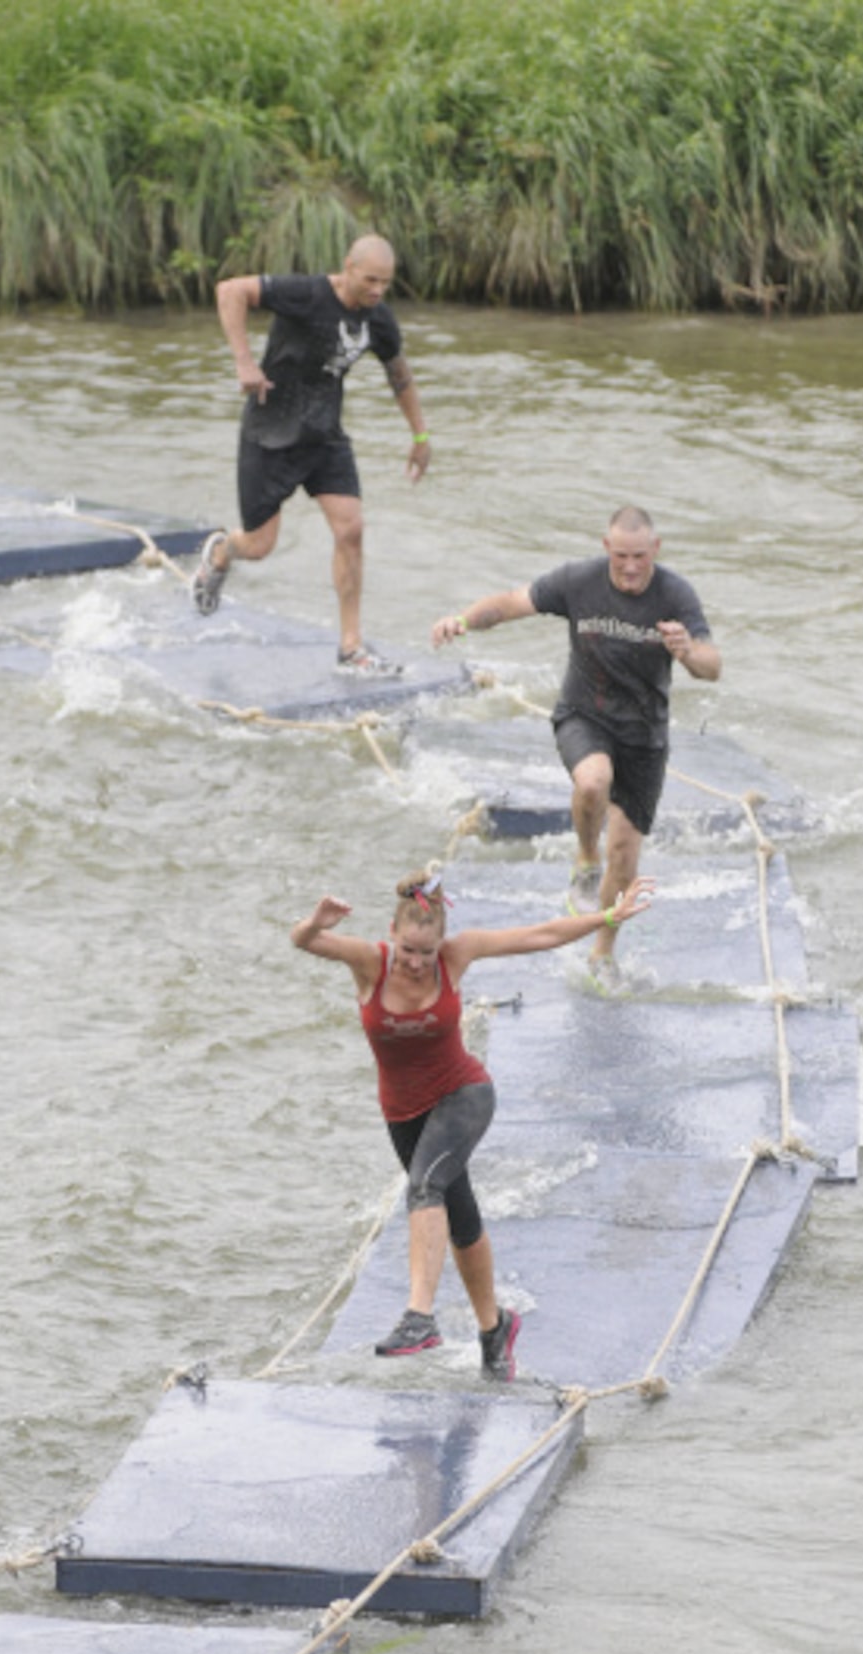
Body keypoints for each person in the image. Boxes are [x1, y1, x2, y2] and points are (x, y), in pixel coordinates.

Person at [291, 866, 654, 1375]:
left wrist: (610, 915)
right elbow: (303, 941)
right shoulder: (369, 962)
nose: (416, 963)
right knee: (458, 1218)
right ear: (392, 935)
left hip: (464, 1094)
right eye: (408, 950)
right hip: (403, 1113)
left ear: (440, 942)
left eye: (426, 952)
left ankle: (419, 1317)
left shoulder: (456, 955)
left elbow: (540, 935)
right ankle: (494, 1327)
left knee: (424, 1189)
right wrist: (316, 921)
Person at [431, 506, 720, 987]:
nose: (630, 567)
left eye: (640, 558)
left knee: (625, 855)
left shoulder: (674, 594)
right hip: (584, 716)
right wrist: (461, 619)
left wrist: (688, 651)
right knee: (593, 782)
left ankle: (602, 952)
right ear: (607, 548)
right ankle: (586, 859)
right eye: (622, 556)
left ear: (656, 551)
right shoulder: (578, 582)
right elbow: (510, 602)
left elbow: (713, 666)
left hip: (645, 737)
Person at [192, 233, 431, 676]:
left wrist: (420, 436)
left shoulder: (378, 319)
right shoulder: (306, 293)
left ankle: (351, 647)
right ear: (348, 267)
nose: (378, 291)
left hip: (324, 436)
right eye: (370, 280)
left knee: (351, 530)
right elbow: (231, 290)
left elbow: (400, 374)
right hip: (270, 433)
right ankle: (222, 553)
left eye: (386, 283)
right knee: (259, 545)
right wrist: (244, 362)